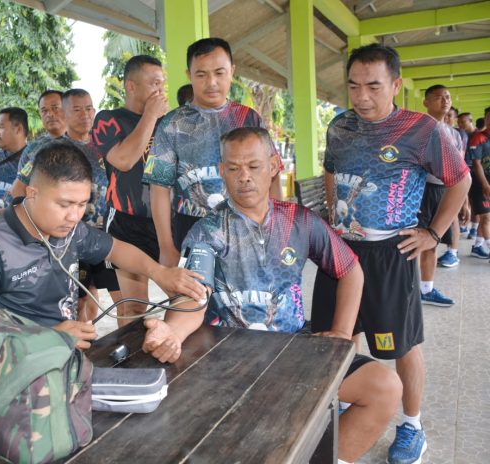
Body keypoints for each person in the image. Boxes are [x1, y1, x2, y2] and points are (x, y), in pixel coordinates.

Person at [141, 127, 401, 464]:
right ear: (222, 172)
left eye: (253, 166)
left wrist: (341, 334)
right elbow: (194, 295)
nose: (243, 177)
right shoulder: (208, 230)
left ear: (274, 165)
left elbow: (350, 270)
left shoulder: (301, 221)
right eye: (233, 168)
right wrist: (172, 333)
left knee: (384, 387)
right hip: (232, 360)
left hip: (295, 349)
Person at [311, 44, 470, 464]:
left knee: (402, 344)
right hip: (340, 251)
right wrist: (332, 216)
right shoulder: (339, 126)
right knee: (339, 337)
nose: (362, 96)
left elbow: (460, 180)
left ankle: (412, 427)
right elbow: (330, 169)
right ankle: (347, 406)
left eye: (373, 86)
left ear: (396, 85)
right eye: (353, 86)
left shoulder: (422, 130)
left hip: (390, 252)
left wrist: (434, 233)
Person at [0, 140, 206, 348]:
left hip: (64, 357)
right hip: (16, 374)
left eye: (82, 204)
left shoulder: (70, 230)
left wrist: (160, 273)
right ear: (32, 193)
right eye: (64, 205)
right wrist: (50, 336)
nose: (74, 216)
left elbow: (116, 248)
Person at [143, 37, 281, 269]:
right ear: (189, 75)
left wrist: (277, 228)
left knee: (242, 301)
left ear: (232, 71)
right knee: (196, 301)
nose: (212, 82)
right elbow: (158, 189)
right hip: (191, 229)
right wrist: (166, 246)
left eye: (219, 73)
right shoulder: (171, 124)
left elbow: (272, 176)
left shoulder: (249, 118)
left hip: (247, 224)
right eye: (201, 74)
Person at [13, 89, 122, 322]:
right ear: (65, 112)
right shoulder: (50, 150)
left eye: (89, 108)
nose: (85, 114)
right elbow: (18, 192)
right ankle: (81, 354)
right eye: (76, 109)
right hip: (70, 240)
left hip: (108, 236)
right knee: (81, 307)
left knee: (126, 302)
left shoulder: (108, 145)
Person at [92, 55, 168, 326]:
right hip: (127, 222)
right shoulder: (108, 120)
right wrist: (149, 115)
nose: (160, 90)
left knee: (183, 299)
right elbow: (124, 160)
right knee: (134, 307)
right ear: (131, 86)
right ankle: (131, 365)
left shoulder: (168, 123)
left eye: (162, 83)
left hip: (165, 222)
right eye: (153, 83)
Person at [417, 86, 466, 304]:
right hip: (422, 190)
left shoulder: (454, 134)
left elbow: (462, 169)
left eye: (447, 97)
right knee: (412, 240)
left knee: (432, 241)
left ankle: (426, 289)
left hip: (445, 190)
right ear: (426, 103)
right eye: (438, 97)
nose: (444, 101)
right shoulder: (419, 130)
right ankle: (405, 289)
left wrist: (463, 201)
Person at [12, 90, 67, 198]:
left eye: (55, 108)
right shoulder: (32, 150)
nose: (50, 114)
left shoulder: (87, 144)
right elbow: (18, 192)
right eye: (44, 110)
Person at [467, 107, 490, 259]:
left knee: (486, 217)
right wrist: (485, 185)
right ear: (485, 119)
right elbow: (476, 164)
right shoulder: (479, 137)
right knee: (486, 217)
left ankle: (477, 246)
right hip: (479, 183)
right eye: (489, 117)